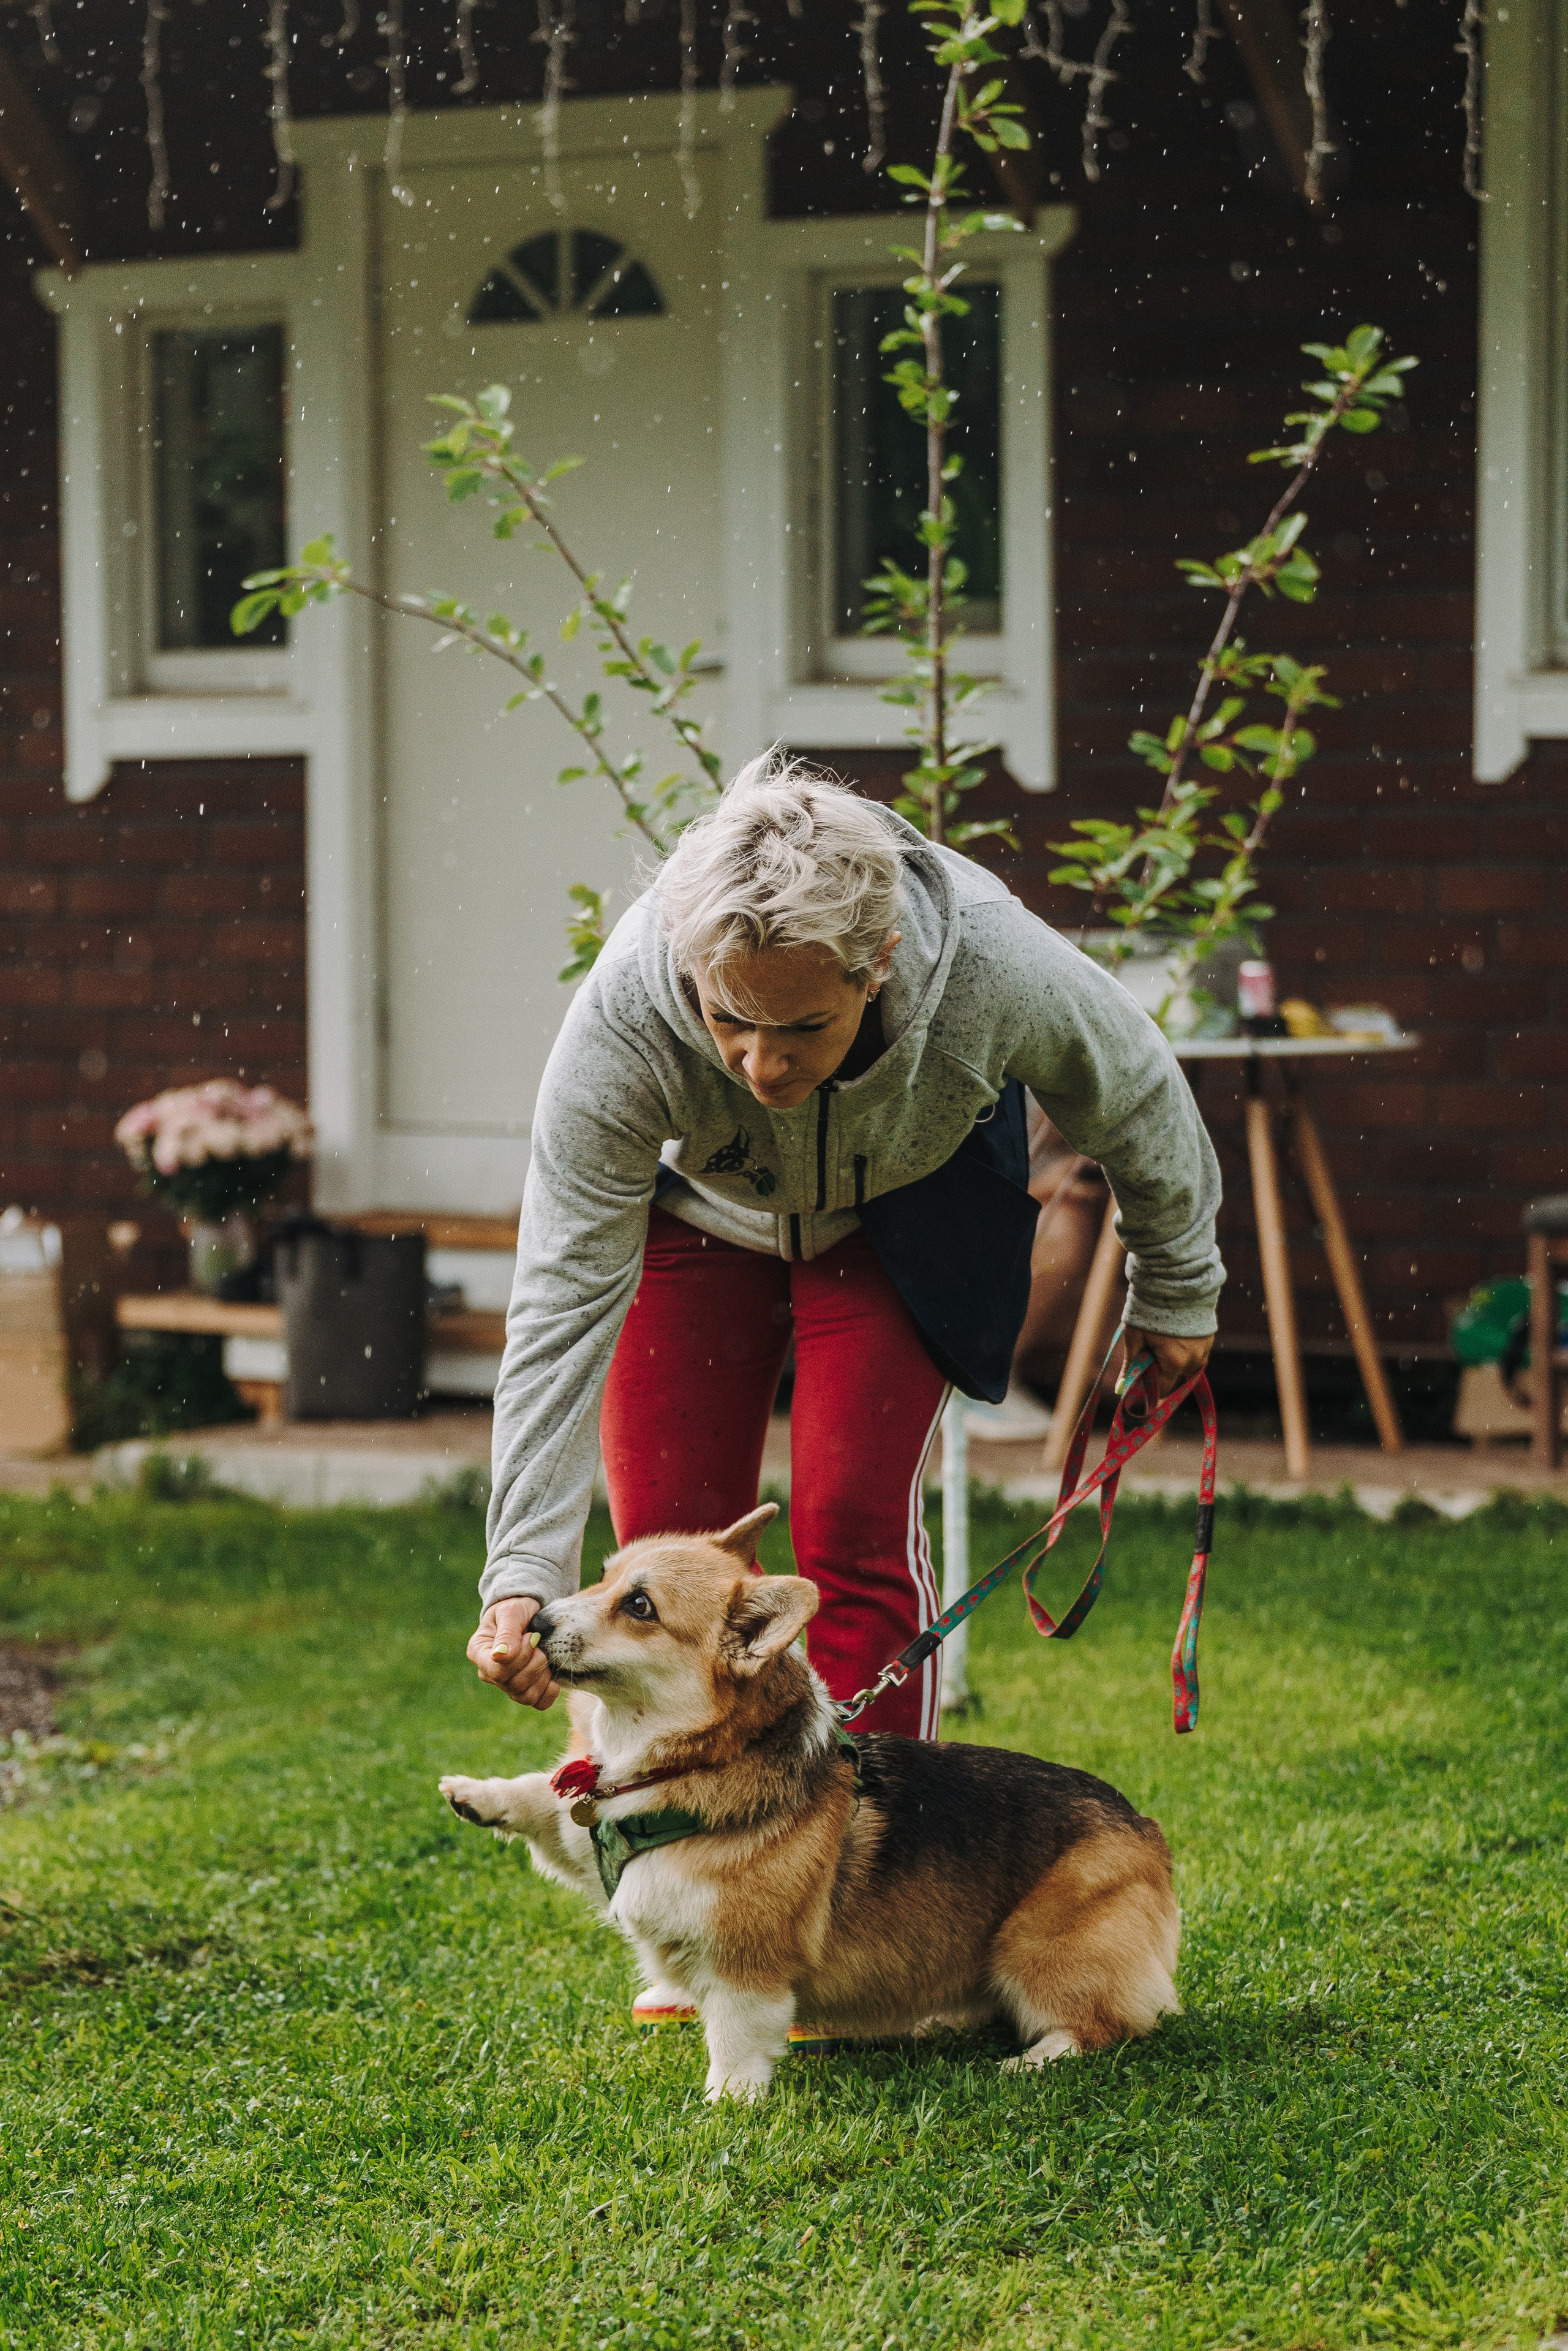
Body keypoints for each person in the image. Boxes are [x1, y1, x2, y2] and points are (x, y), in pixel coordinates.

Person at [469, 755, 1222, 1751]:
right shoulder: (627, 1016)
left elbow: (1136, 1094)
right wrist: (521, 1572)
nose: (762, 1063)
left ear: (878, 962)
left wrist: (1175, 1289)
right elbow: (561, 1298)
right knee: (660, 1556)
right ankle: (677, 1864)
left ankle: (875, 1859)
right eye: (729, 1018)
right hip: (704, 1218)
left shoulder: (991, 962)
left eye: (803, 1026)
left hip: (901, 1217)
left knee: (851, 1536)